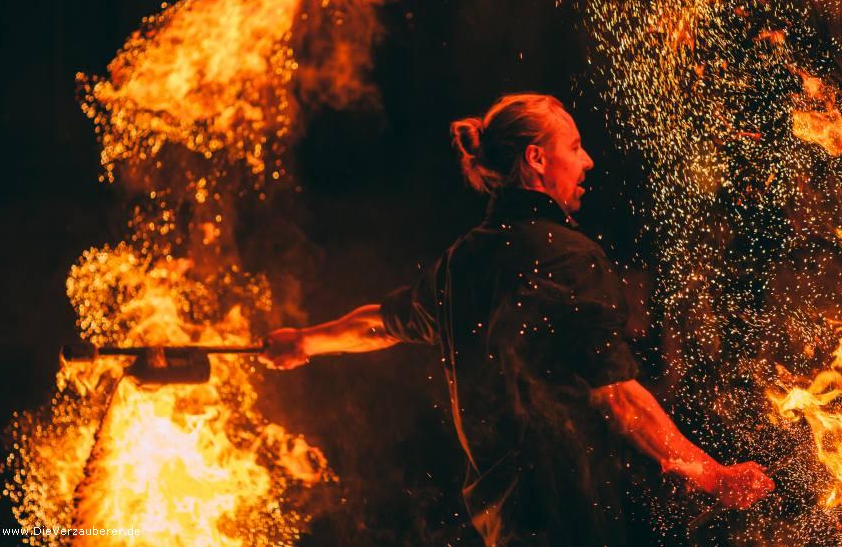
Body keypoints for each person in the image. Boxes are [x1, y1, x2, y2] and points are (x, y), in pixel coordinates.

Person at [259, 93, 774, 546]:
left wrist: (304, 340)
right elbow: (618, 397)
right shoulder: (571, 258)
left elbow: (378, 324)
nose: (588, 160)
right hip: (569, 518)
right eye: (574, 147)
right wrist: (714, 476)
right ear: (537, 159)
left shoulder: (462, 262)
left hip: (501, 523)